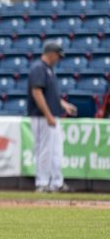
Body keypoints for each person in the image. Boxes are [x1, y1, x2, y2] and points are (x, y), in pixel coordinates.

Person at [27, 41, 77, 193]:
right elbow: (37, 92)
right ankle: (42, 183)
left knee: (56, 151)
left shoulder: (48, 70)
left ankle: (57, 182)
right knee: (44, 151)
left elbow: (50, 95)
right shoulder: (38, 68)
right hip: (42, 117)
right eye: (57, 55)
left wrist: (63, 105)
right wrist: (48, 114)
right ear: (51, 53)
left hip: (52, 117)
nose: (58, 59)